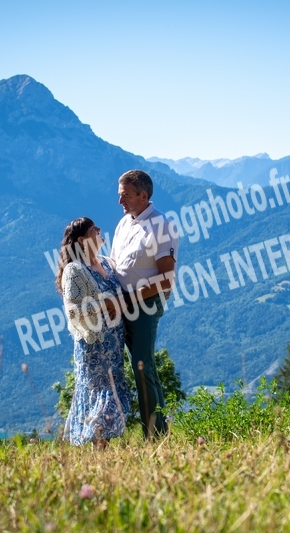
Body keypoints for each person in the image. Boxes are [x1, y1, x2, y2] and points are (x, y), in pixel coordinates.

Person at [110, 170, 178, 439]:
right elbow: (116, 264)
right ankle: (156, 431)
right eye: (120, 195)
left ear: (143, 195)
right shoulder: (124, 223)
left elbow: (166, 279)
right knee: (137, 366)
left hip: (144, 304)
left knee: (141, 365)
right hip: (120, 302)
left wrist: (128, 299)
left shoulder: (162, 225)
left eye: (125, 195)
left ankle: (155, 434)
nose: (120, 201)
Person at [56, 217, 130, 447]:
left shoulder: (107, 263)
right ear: (82, 240)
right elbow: (74, 311)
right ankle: (99, 446)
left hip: (114, 345)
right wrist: (107, 304)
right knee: (101, 395)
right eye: (94, 229)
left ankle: (100, 449)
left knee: (113, 393)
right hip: (94, 346)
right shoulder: (75, 270)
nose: (100, 230)